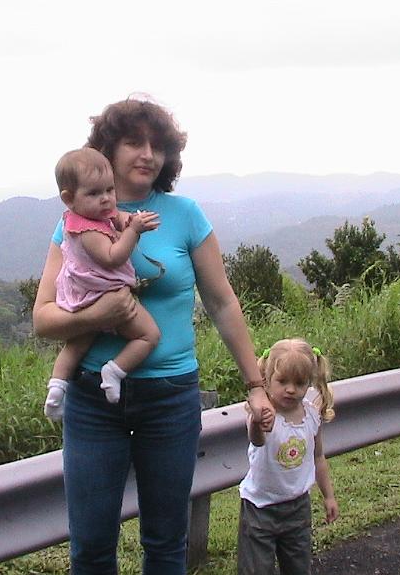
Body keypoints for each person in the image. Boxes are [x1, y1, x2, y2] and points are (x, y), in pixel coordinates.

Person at [32, 96, 274, 575]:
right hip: (91, 400)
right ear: (108, 149)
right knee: (91, 546)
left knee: (166, 544)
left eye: (157, 145)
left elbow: (223, 303)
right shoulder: (76, 224)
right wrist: (97, 314)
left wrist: (255, 384)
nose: (148, 154)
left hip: (170, 398)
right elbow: (43, 320)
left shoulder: (184, 214)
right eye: (133, 142)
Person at [43, 147, 161, 421]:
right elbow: (113, 257)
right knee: (148, 336)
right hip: (103, 294)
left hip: (83, 296)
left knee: (76, 345)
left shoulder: (84, 218)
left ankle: (57, 388)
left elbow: (116, 217)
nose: (107, 199)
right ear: (69, 198)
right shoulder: (89, 231)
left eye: (110, 189)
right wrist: (133, 231)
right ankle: (115, 371)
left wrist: (128, 220)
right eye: (95, 193)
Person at [237, 338, 339, 575]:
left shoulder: (312, 415)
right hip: (260, 508)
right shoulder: (266, 416)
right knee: (255, 569)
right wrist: (257, 421)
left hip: (297, 507)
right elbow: (257, 440)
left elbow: (318, 457)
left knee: (298, 568)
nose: (291, 389)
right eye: (282, 381)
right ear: (267, 379)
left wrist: (329, 496)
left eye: (300, 383)